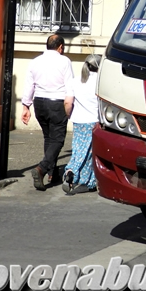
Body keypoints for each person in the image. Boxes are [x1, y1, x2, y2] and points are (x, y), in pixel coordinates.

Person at [21, 34, 74, 191]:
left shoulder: (35, 62)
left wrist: (26, 106)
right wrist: (69, 107)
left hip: (39, 103)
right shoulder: (65, 61)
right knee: (57, 140)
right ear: (60, 47)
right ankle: (42, 168)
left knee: (49, 138)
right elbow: (69, 86)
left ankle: (52, 172)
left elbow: (29, 85)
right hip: (57, 102)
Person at [63, 54, 100, 195]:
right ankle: (79, 174)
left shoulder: (75, 81)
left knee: (79, 149)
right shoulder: (101, 82)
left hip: (79, 121)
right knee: (90, 152)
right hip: (95, 121)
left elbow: (68, 102)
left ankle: (78, 176)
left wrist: (68, 115)